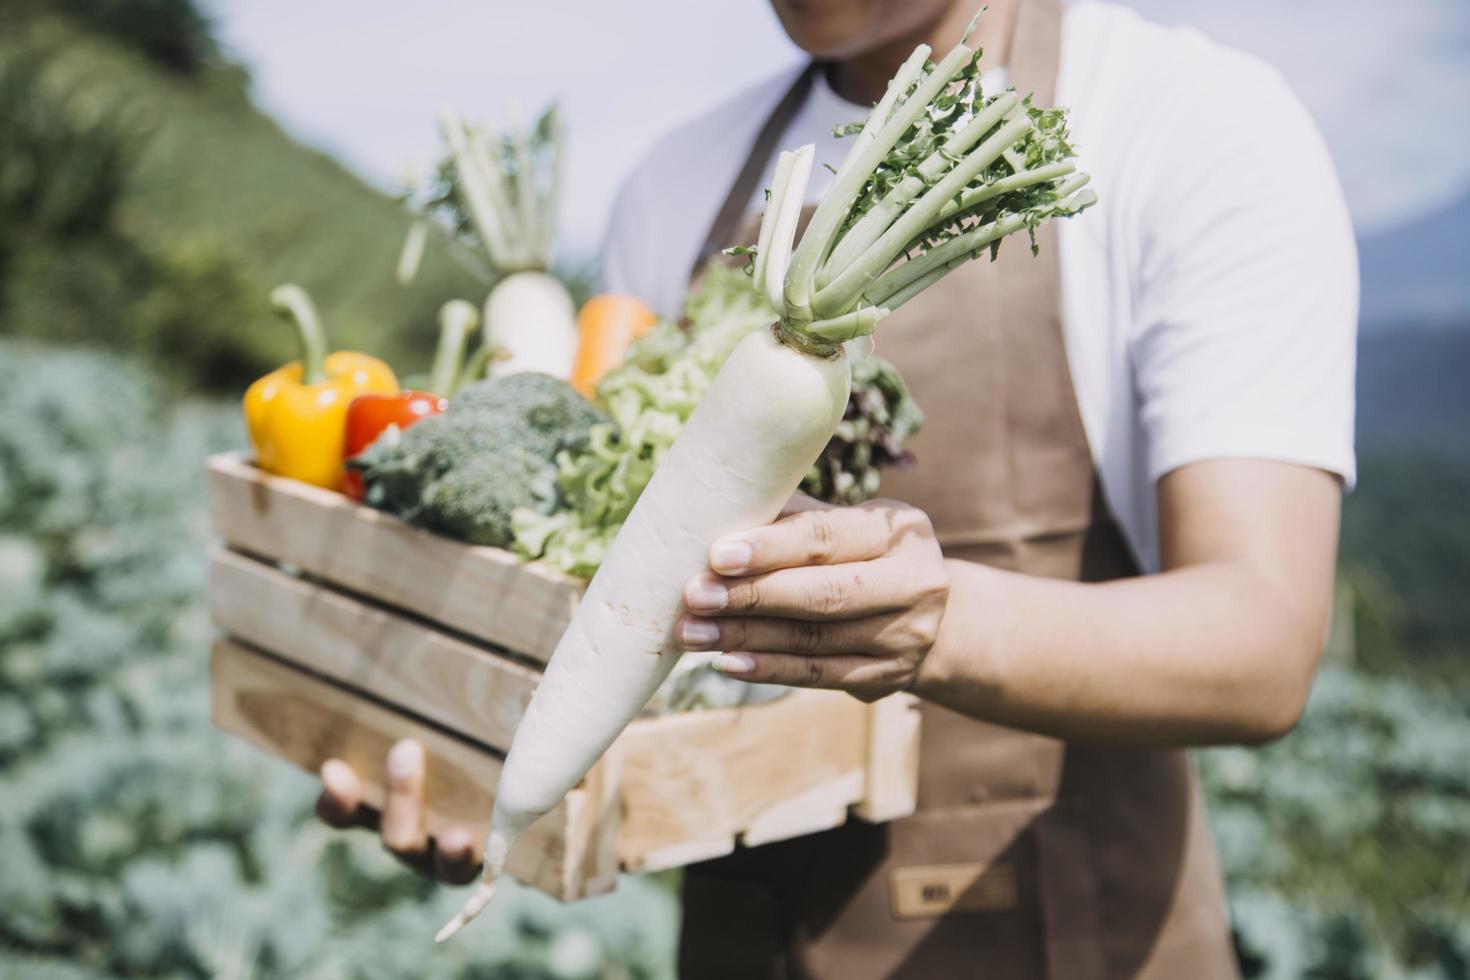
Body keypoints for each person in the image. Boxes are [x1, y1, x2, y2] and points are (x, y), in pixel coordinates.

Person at [318, 0, 1358, 976]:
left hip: (1073, 939)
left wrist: (938, 623)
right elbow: (614, 608)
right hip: (740, 938)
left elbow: (1260, 640)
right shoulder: (679, 180)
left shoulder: (1191, 121)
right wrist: (480, 764)